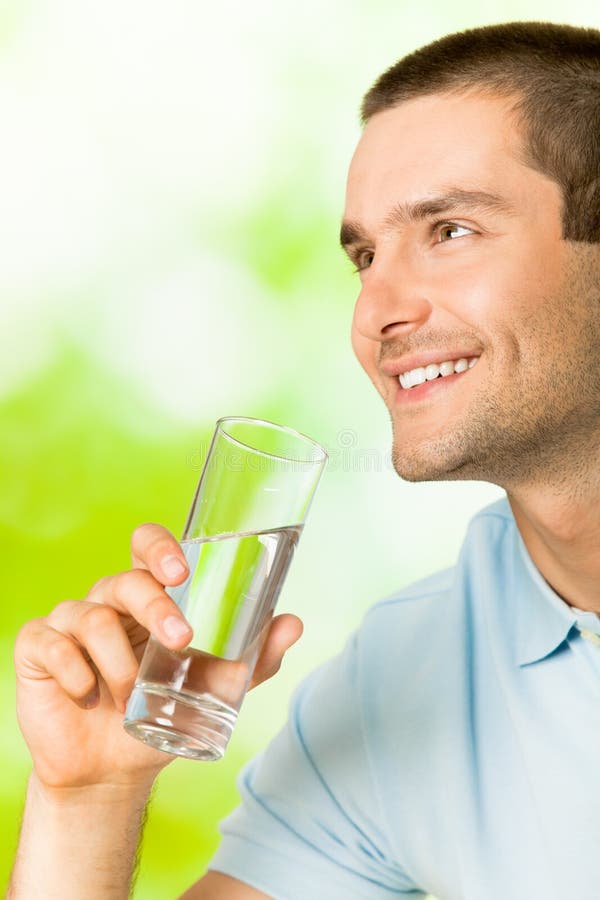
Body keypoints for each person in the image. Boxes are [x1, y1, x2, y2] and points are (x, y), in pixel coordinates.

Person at [9, 19, 600, 900]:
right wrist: (89, 793)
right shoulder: (409, 675)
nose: (378, 312)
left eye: (450, 230)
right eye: (365, 255)